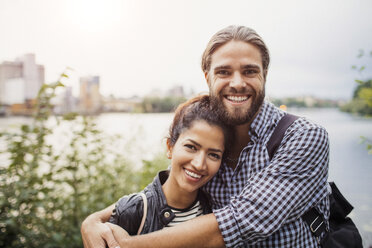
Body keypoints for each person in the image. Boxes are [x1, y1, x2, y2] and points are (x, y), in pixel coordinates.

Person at [81, 25, 330, 248]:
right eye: (223, 72)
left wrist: (126, 245)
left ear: (264, 74)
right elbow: (169, 189)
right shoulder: (208, 134)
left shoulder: (303, 137)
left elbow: (243, 221)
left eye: (249, 71)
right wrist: (94, 220)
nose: (237, 83)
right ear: (207, 77)